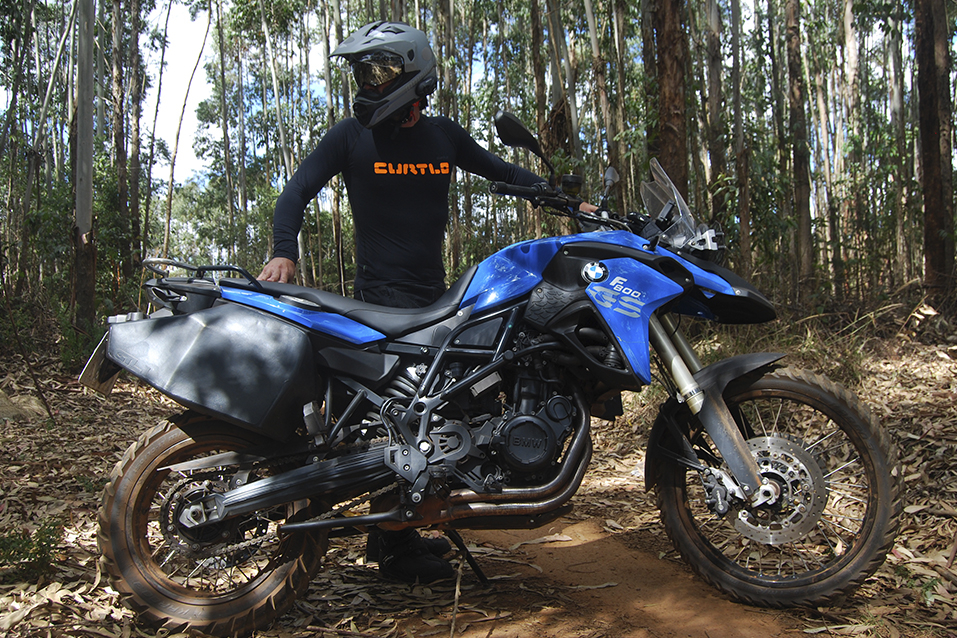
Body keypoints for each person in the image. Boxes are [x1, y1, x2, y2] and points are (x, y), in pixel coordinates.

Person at [258, 21, 574, 584]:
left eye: (378, 73)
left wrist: (564, 200)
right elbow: (296, 191)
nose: (368, 84)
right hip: (378, 302)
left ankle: (401, 530)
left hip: (437, 298)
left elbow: (501, 171)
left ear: (412, 76)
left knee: (436, 415)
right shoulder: (350, 137)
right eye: (363, 74)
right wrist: (284, 252)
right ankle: (392, 545)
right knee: (392, 422)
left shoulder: (444, 136)